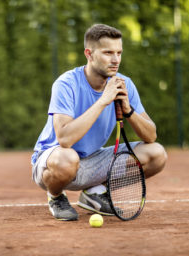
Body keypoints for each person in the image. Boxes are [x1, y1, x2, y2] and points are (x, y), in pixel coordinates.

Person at [31, 24, 167, 221]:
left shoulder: (124, 83)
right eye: (108, 52)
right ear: (89, 54)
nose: (115, 59)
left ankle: (95, 192)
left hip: (93, 159)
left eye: (119, 53)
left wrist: (129, 111)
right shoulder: (66, 83)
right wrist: (104, 100)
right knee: (67, 158)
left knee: (157, 154)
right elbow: (65, 139)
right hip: (54, 162)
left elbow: (151, 135)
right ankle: (56, 196)